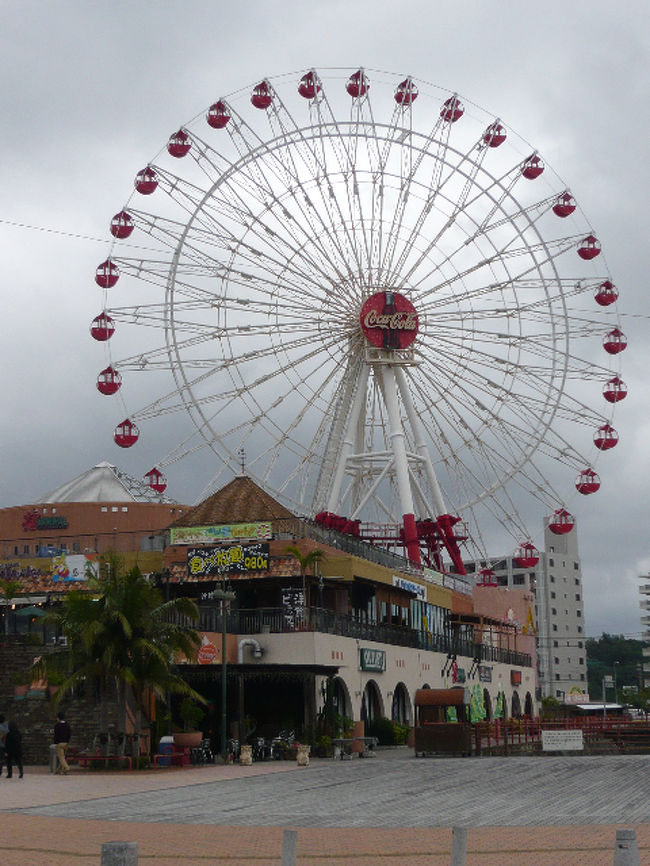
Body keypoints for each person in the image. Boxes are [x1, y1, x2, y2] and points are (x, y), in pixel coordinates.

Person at [53, 710, 71, 774]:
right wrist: (68, 742)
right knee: (63, 757)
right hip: (66, 743)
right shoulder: (67, 725)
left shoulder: (57, 725)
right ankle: (59, 770)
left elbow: (56, 735)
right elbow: (69, 734)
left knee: (61, 758)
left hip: (59, 743)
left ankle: (66, 768)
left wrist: (55, 743)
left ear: (58, 718)